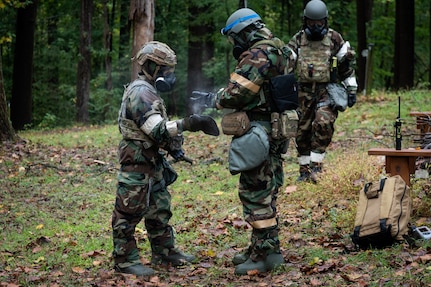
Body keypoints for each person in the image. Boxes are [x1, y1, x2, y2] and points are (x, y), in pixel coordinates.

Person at [191, 8, 296, 275]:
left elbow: (237, 93)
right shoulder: (281, 49)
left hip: (259, 129)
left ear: (244, 33)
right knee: (268, 189)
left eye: (235, 38)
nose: (235, 45)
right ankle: (268, 249)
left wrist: (214, 98)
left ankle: (262, 256)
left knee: (255, 192)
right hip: (275, 128)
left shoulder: (258, 53)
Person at [112, 41, 219, 277]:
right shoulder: (140, 92)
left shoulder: (150, 90)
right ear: (151, 66)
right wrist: (188, 124)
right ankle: (125, 261)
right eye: (166, 70)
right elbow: (157, 130)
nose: (170, 75)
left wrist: (175, 149)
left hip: (152, 159)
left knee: (159, 208)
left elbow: (159, 133)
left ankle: (164, 252)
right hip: (137, 159)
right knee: (129, 211)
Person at [287, 0, 358, 183]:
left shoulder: (334, 39)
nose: (316, 27)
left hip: (327, 90)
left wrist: (351, 89)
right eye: (312, 23)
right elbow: (285, 66)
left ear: (325, 21)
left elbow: (346, 68)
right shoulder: (298, 40)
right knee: (301, 132)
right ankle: (304, 170)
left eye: (319, 23)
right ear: (305, 21)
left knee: (323, 123)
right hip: (303, 92)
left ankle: (316, 167)